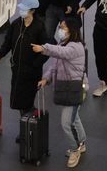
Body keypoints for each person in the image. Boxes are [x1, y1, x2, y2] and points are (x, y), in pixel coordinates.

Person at [33, 15, 88, 167]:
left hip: (75, 88)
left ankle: (74, 149)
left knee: (66, 123)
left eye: (63, 27)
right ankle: (81, 143)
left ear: (72, 30)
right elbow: (55, 66)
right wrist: (46, 79)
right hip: (67, 88)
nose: (60, 30)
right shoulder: (64, 43)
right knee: (74, 118)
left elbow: (59, 53)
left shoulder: (74, 47)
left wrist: (44, 48)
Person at [0, 0, 48, 117]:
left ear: (32, 10)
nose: (21, 11)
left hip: (32, 71)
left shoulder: (39, 27)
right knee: (18, 97)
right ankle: (26, 122)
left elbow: (47, 50)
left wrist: (35, 65)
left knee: (27, 97)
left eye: (25, 9)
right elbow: (8, 42)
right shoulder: (16, 24)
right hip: (17, 68)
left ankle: (26, 127)